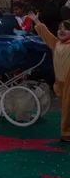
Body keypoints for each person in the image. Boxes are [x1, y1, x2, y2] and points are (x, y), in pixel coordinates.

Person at [28, 12, 70, 142]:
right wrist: (37, 21)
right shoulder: (56, 43)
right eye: (60, 28)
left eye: (66, 28)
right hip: (61, 82)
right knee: (66, 107)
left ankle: (66, 133)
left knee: (68, 107)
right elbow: (46, 35)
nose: (61, 30)